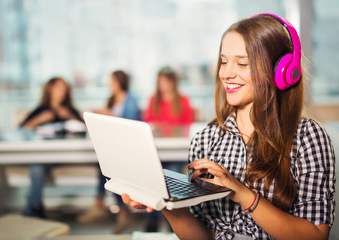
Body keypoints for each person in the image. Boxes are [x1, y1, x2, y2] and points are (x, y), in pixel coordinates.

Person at [121, 13, 336, 239]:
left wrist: (242, 193)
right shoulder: (206, 140)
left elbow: (316, 235)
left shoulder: (307, 137)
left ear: (280, 71)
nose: (226, 73)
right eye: (224, 61)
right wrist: (166, 205)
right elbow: (204, 236)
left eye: (242, 63)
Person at [78, 70, 141, 234]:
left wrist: (108, 114)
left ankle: (105, 206)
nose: (110, 85)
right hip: (113, 146)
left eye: (112, 81)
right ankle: (119, 211)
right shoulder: (112, 99)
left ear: (120, 82)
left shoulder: (130, 101)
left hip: (127, 148)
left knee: (107, 169)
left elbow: (131, 125)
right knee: (105, 167)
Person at [21, 77, 83, 218]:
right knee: (37, 164)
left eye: (64, 88)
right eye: (59, 88)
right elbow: (22, 127)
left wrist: (70, 117)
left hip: (67, 155)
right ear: (50, 90)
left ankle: (31, 210)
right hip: (46, 155)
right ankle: (36, 207)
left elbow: (84, 127)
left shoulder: (70, 110)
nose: (62, 91)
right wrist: (42, 119)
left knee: (37, 164)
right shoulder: (42, 109)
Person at [142, 66, 195, 232]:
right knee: (153, 178)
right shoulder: (153, 100)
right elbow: (147, 123)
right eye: (160, 82)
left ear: (173, 82)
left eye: (166, 81)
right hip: (158, 151)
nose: (163, 85)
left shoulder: (183, 100)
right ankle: (153, 220)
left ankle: (173, 220)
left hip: (176, 149)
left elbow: (189, 124)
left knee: (171, 175)